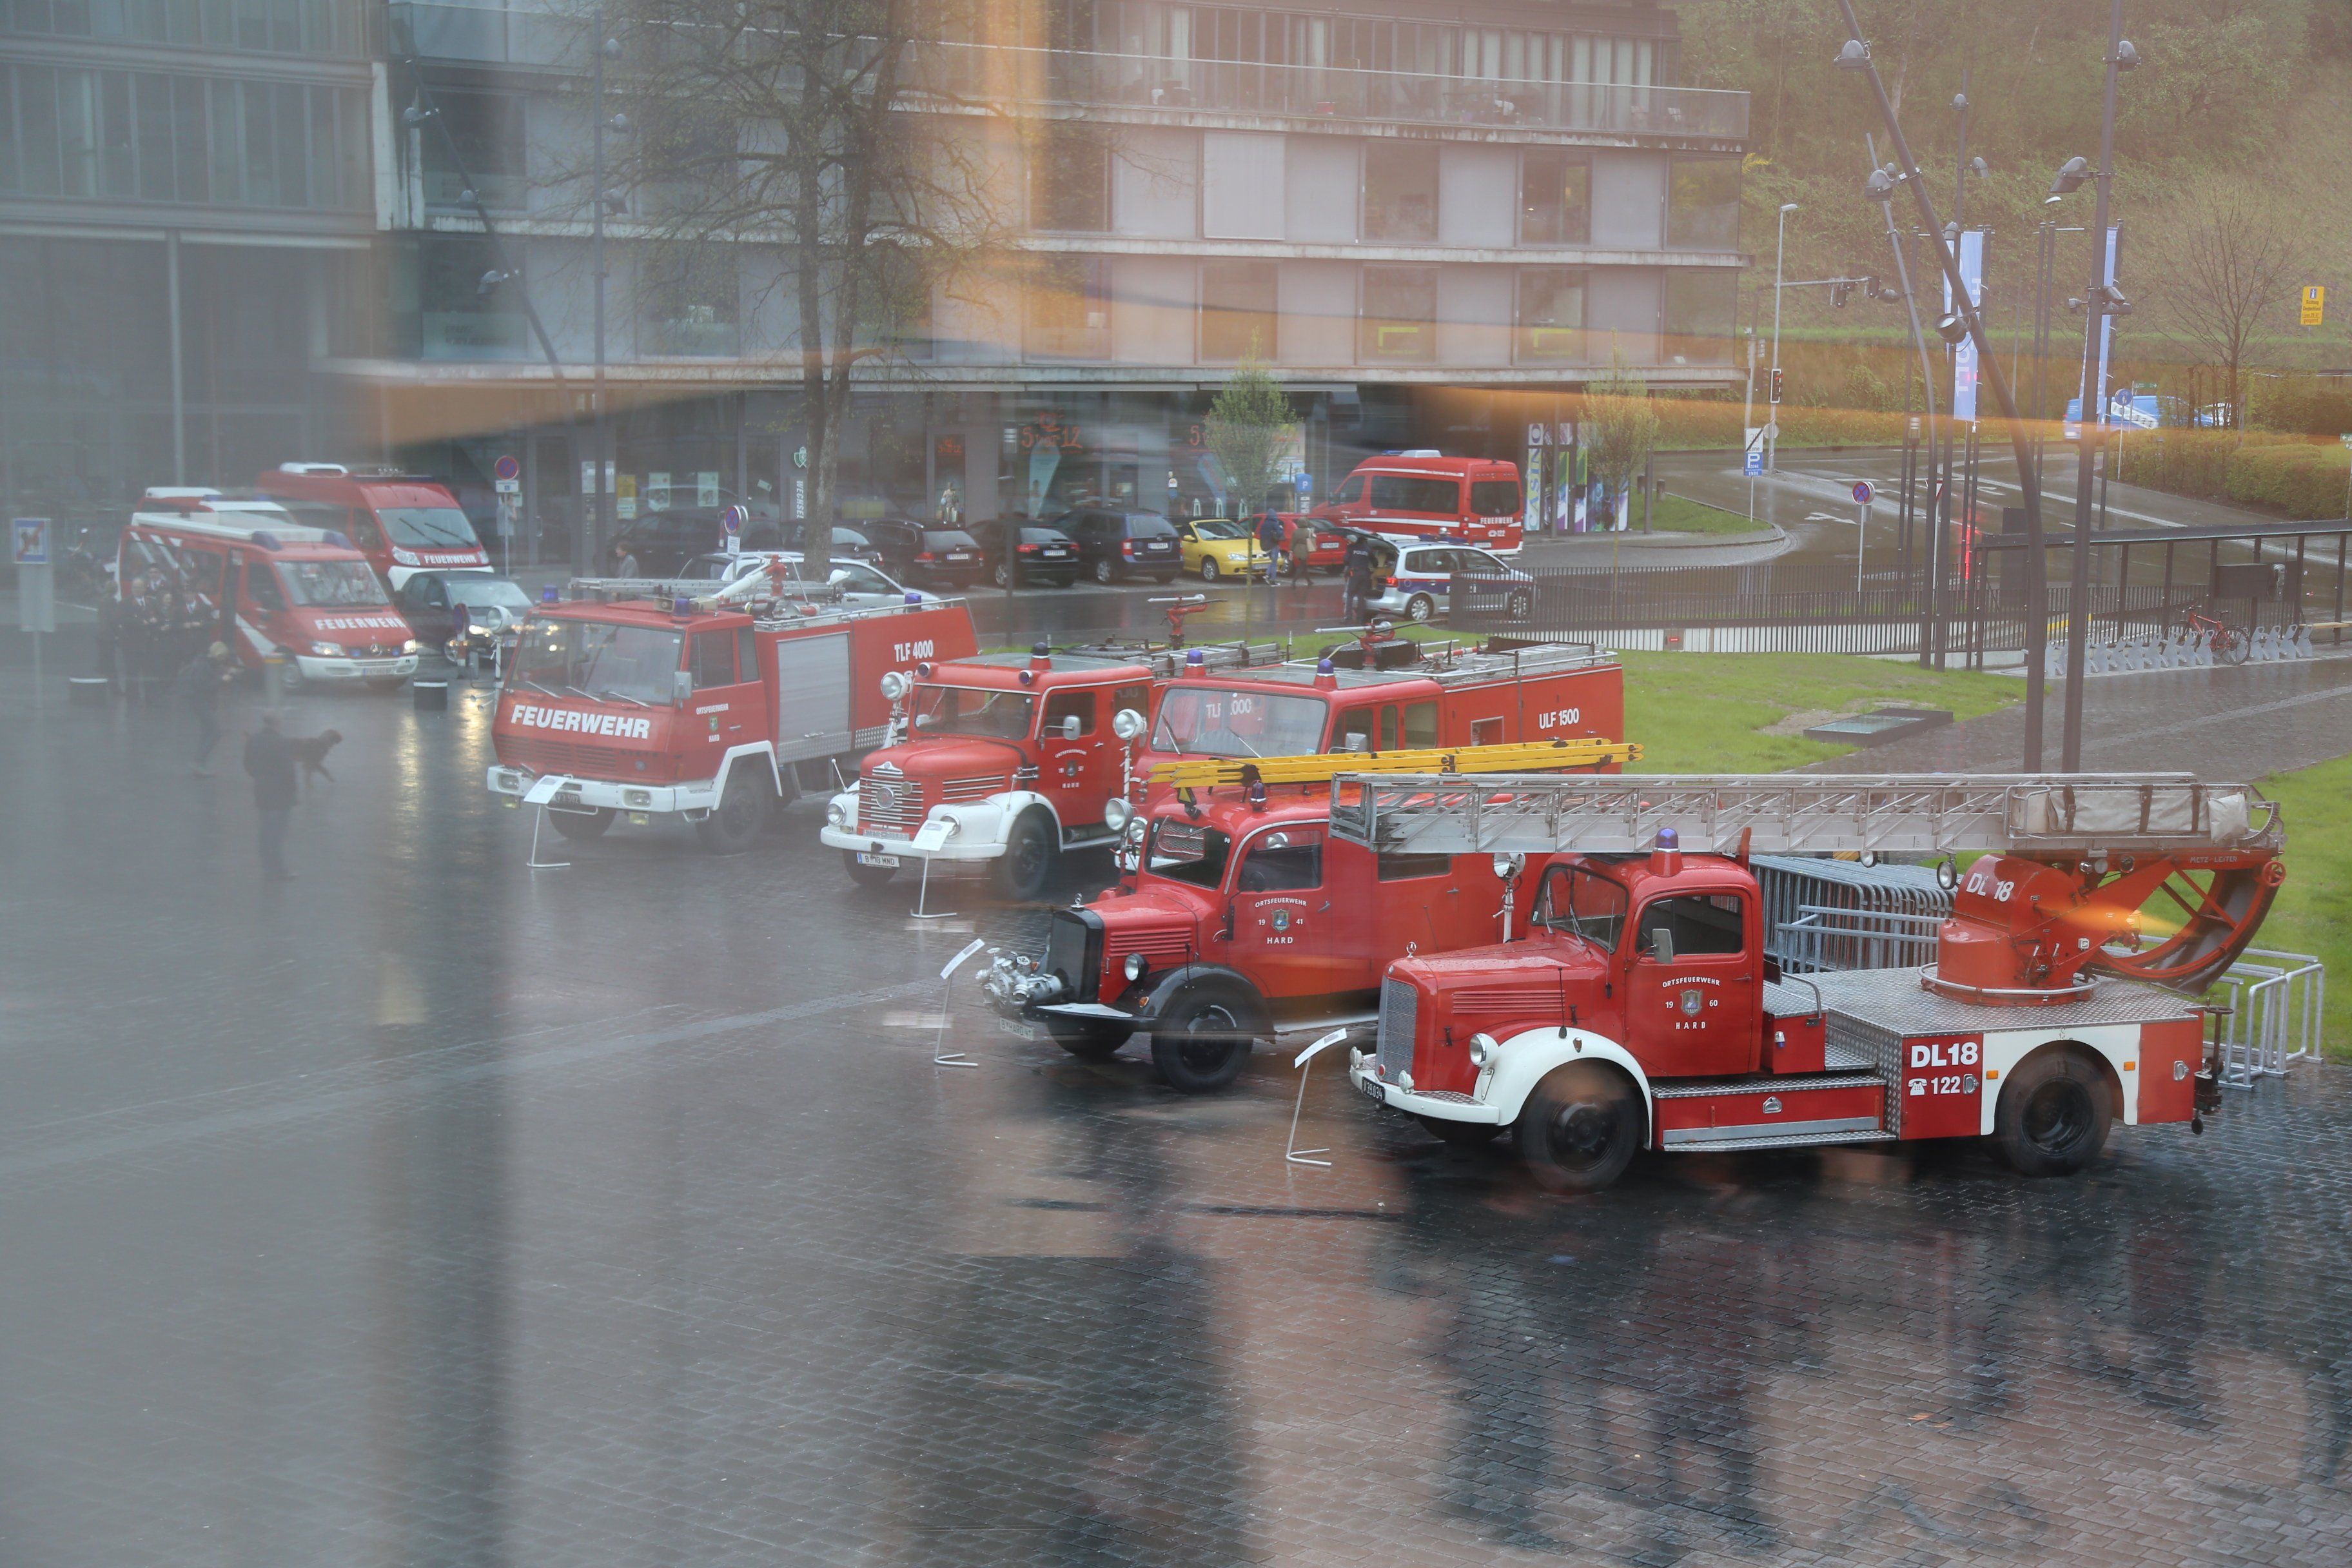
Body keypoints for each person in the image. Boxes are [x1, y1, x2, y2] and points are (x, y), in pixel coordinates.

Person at [244, 710, 298, 881]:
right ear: (277, 723)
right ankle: (279, 870)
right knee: (277, 835)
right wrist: (292, 793)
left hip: (262, 792)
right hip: (280, 795)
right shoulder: (282, 742)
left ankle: (267, 869)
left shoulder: (253, 740)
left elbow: (248, 764)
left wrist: (260, 777)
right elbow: (288, 771)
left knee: (265, 832)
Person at [176, 641, 235, 776]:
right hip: (201, 703)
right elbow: (203, 686)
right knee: (215, 732)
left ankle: (200, 764)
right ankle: (199, 761)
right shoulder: (203, 666)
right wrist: (222, 680)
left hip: (203, 703)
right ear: (219, 655)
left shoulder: (207, 663)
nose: (223, 661)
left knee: (206, 732)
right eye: (223, 658)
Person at [1343, 533, 1377, 623]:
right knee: (1361, 597)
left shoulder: (1351, 547)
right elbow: (1375, 563)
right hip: (1365, 574)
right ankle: (1360, 618)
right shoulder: (1368, 549)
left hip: (1354, 574)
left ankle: (1348, 618)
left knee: (1350, 595)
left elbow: (1346, 561)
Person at [1257, 511, 1286, 587]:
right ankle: (1272, 580)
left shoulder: (1264, 524)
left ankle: (1267, 575)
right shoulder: (1275, 523)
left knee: (1273, 562)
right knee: (1274, 563)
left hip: (1265, 546)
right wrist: (1281, 528)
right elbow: (1279, 533)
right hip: (1273, 545)